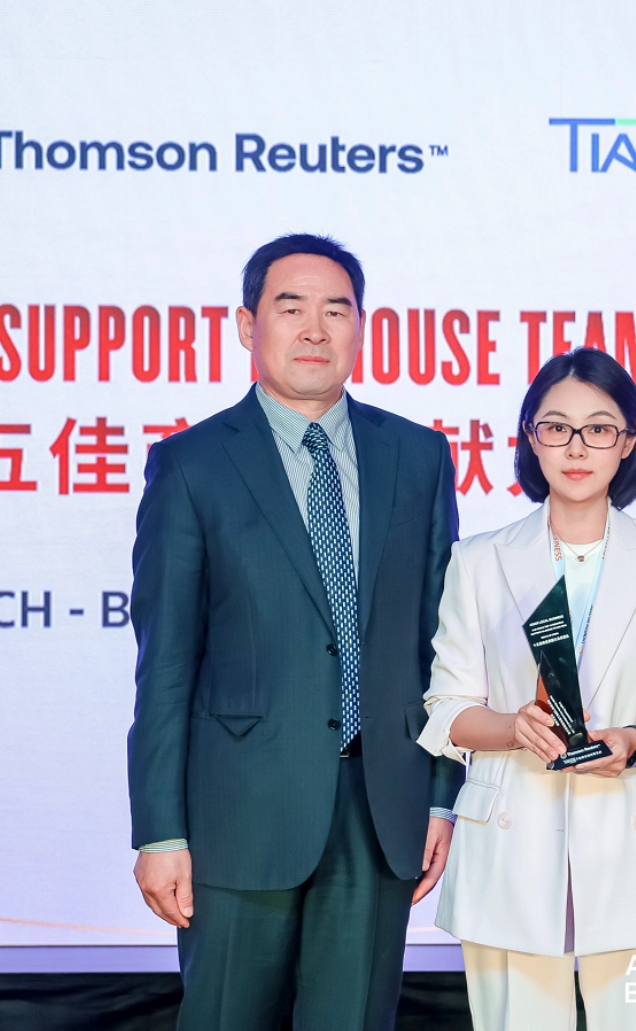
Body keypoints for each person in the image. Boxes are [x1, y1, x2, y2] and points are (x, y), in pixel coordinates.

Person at [128, 234, 463, 1030]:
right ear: (248, 325)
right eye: (291, 308)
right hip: (238, 813)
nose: (315, 329)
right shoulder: (192, 464)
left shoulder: (418, 456)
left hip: (382, 809)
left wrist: (442, 796)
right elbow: (165, 663)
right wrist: (160, 830)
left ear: (360, 325)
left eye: (336, 310)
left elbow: (441, 646)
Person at [416, 348, 636, 1030]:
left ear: (630, 441)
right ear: (531, 438)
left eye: (599, 428)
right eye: (557, 427)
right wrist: (512, 726)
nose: (577, 446)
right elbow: (447, 708)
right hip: (512, 836)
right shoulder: (478, 560)